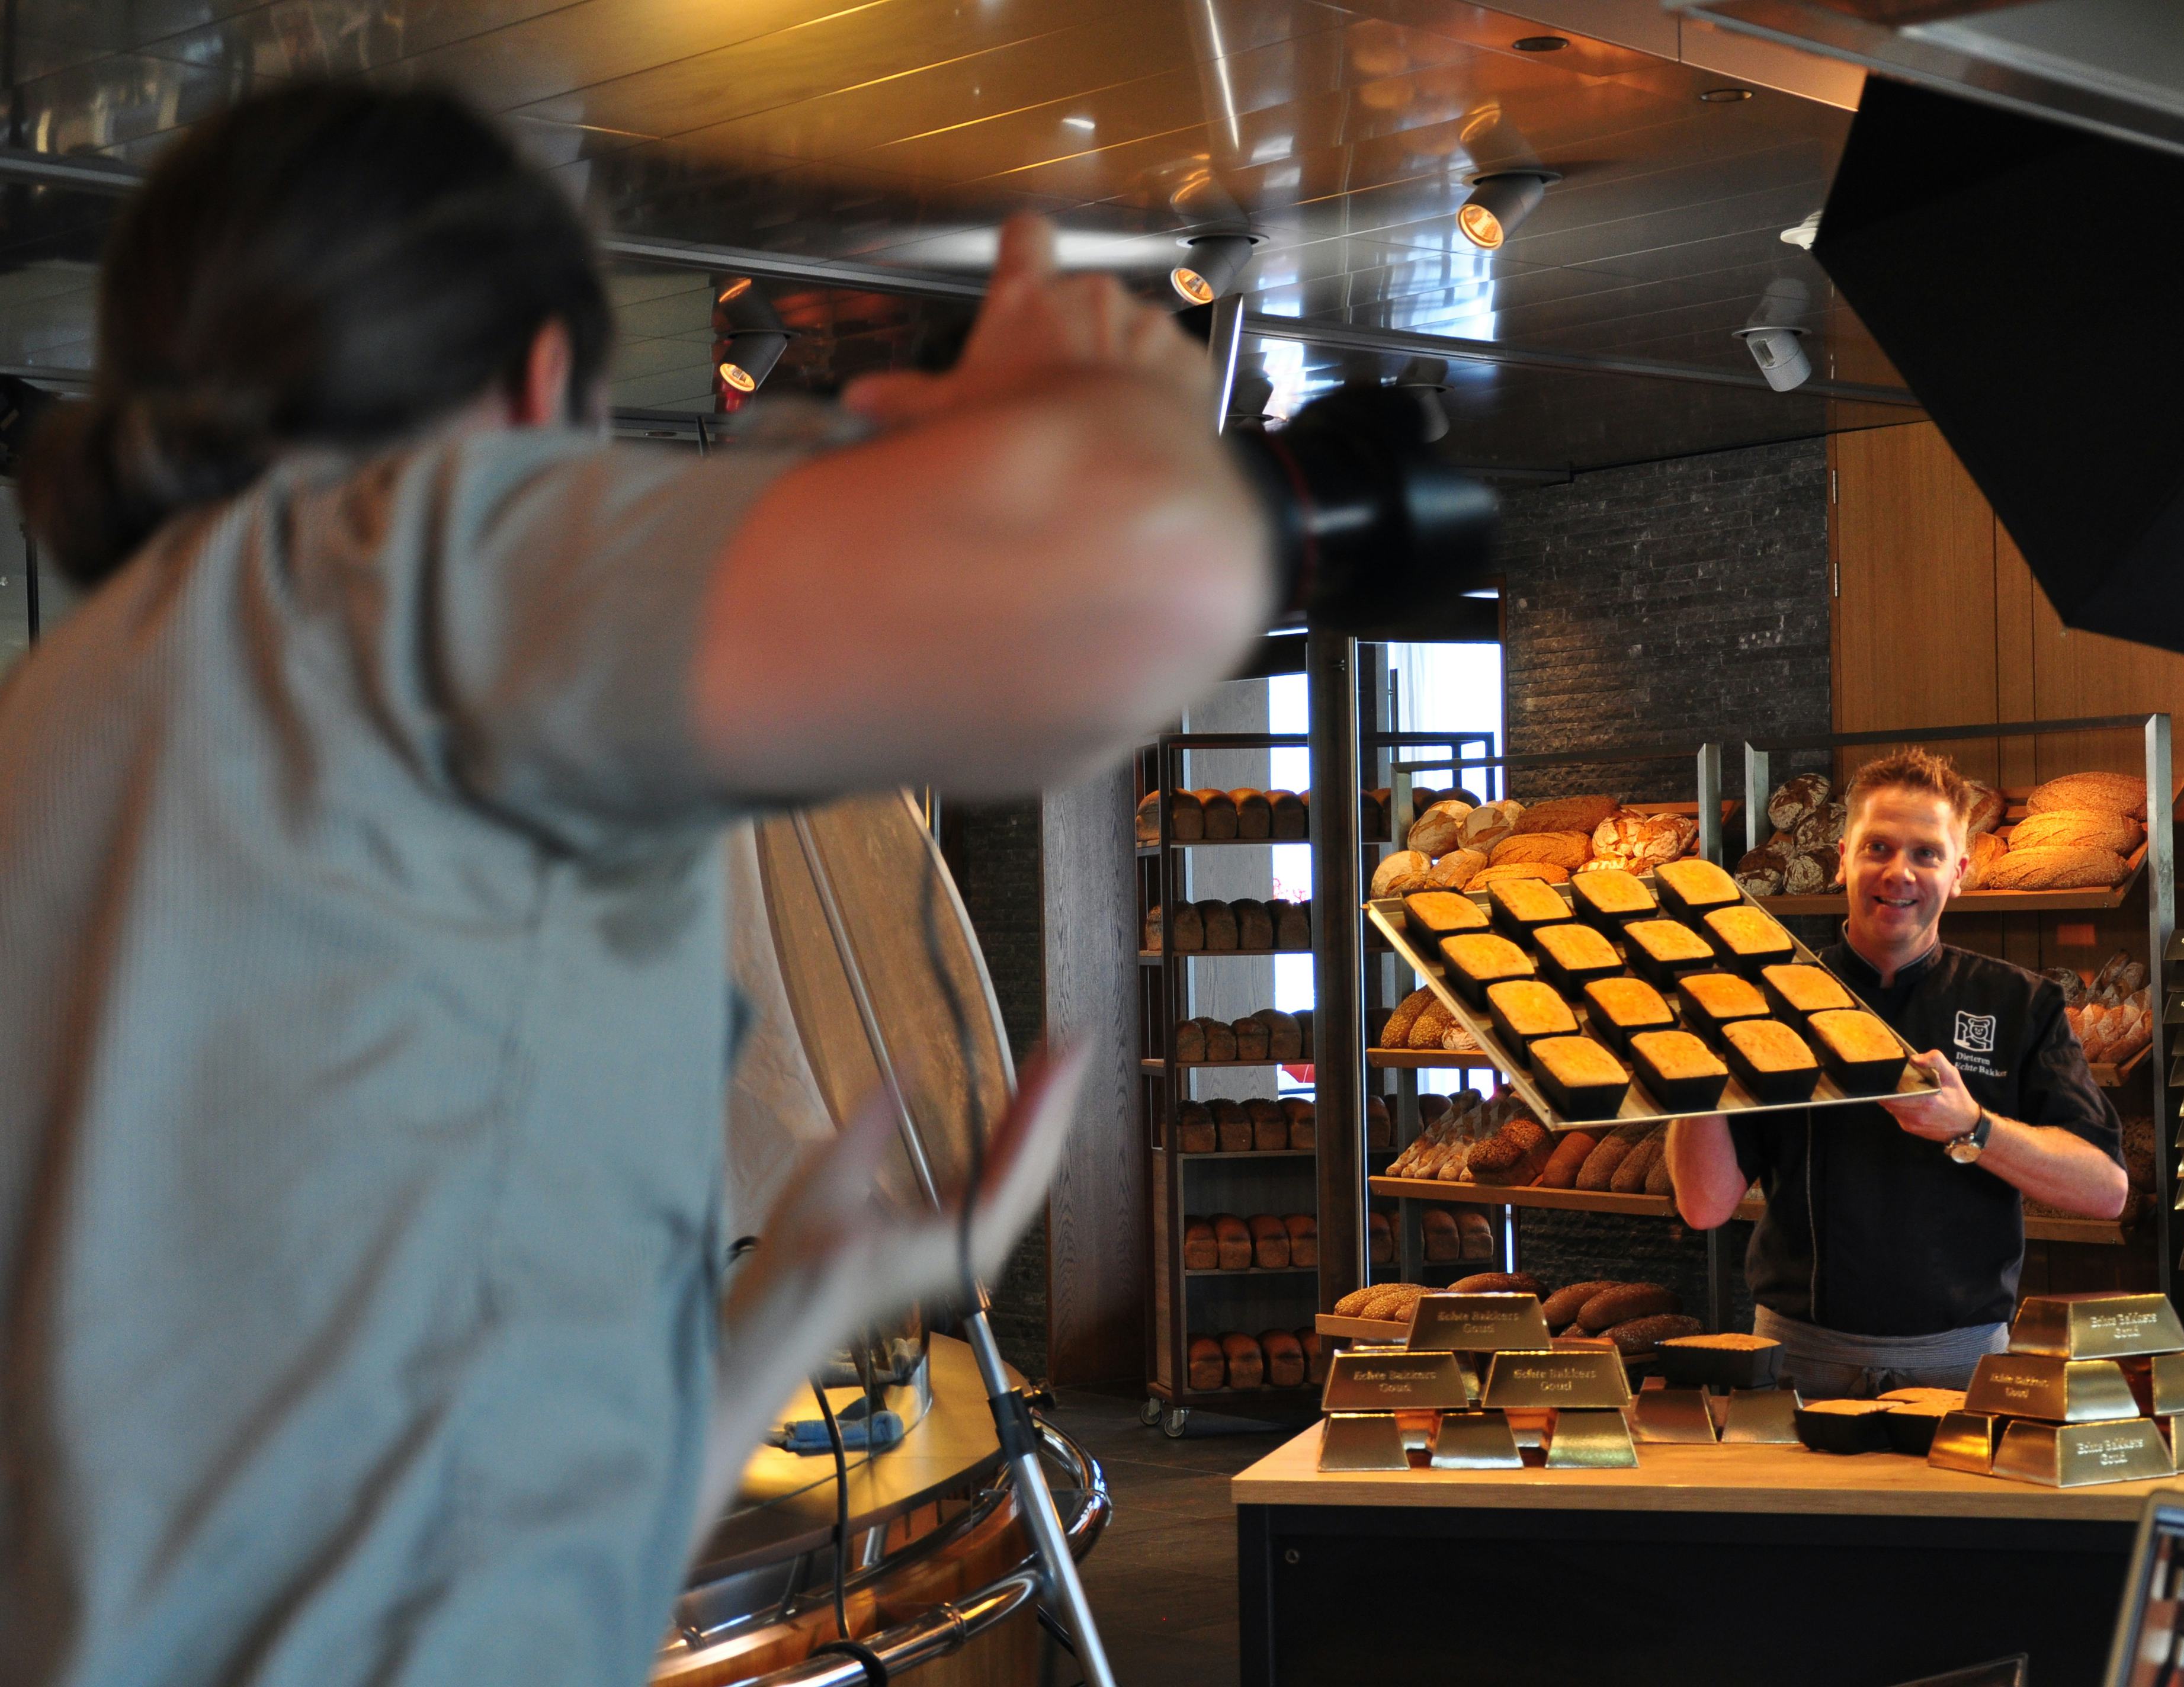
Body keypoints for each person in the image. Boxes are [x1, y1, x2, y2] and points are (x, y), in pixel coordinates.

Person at [0, 85, 1275, 1687]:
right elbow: (1148, 585)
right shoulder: (394, 579)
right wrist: (1107, 403)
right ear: (540, 376)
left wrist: (792, 1318)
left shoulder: (81, 729)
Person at [1667, 748, 2130, 1398]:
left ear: (1959, 871)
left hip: (1964, 1363)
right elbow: (1703, 1204)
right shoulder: (1769, 1000)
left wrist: (1971, 1126)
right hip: (1797, 1359)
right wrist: (1692, 1056)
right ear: (1842, 857)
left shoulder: (2019, 1002)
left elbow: (2105, 1189)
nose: (1898, 872)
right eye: (1877, 847)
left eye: (1926, 853)